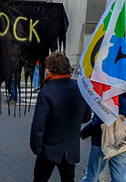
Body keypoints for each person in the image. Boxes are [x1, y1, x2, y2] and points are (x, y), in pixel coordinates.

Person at [30, 52, 91, 182]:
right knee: (68, 179)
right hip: (70, 148)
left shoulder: (46, 92)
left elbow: (38, 125)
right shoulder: (79, 87)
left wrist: (36, 147)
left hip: (48, 147)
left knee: (40, 178)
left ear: (49, 70)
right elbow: (86, 117)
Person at [80, 84, 126, 182]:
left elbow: (98, 120)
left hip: (102, 140)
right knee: (119, 176)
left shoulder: (108, 95)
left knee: (92, 175)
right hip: (123, 138)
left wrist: (84, 133)